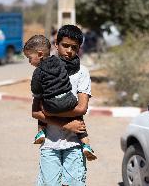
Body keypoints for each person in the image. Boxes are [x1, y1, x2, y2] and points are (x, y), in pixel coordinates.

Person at [30, 25, 94, 186]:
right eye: (65, 45)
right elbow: (36, 111)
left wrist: (49, 111)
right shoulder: (44, 70)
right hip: (50, 145)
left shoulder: (82, 72)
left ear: (79, 49)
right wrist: (67, 124)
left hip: (74, 144)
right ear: (56, 44)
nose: (69, 51)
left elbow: (81, 108)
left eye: (74, 47)